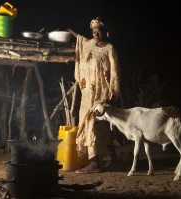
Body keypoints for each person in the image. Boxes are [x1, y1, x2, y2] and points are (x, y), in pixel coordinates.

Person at [67, 17, 120, 173]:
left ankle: (94, 162)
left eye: (100, 31)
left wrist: (112, 93)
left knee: (96, 125)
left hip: (101, 94)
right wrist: (71, 32)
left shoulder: (109, 49)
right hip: (87, 94)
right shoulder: (89, 44)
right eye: (94, 31)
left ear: (106, 32)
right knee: (96, 125)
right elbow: (81, 41)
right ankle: (112, 160)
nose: (97, 34)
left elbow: (115, 73)